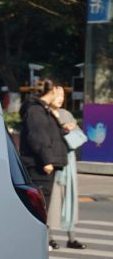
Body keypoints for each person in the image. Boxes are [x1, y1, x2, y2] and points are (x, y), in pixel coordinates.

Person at [18, 79, 74, 249]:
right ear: (53, 91)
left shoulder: (44, 110)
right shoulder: (36, 110)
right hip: (39, 166)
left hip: (45, 165)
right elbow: (37, 137)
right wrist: (46, 160)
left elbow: (49, 133)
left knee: (42, 206)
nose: (61, 96)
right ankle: (32, 242)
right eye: (60, 92)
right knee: (38, 206)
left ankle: (34, 241)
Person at [51, 90, 85, 249]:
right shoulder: (45, 114)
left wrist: (70, 130)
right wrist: (63, 131)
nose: (60, 99)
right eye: (57, 96)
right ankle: (48, 237)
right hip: (52, 164)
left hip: (68, 164)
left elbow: (81, 136)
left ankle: (72, 238)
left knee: (69, 201)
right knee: (52, 203)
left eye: (62, 97)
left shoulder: (66, 113)